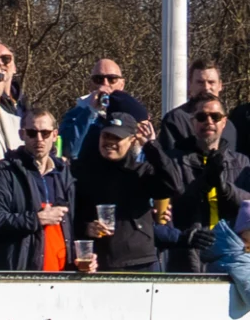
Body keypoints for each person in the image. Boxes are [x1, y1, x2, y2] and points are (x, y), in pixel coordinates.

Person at [0, 106, 80, 272]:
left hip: (63, 275)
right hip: (22, 273)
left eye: (45, 133)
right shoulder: (5, 171)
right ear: (22, 135)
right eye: (32, 133)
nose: (39, 139)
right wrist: (36, 219)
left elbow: (73, 225)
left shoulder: (64, 173)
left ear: (55, 135)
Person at [159, 94, 250, 272]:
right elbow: (171, 209)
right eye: (201, 117)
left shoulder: (242, 163)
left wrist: (224, 187)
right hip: (186, 257)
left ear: (224, 122)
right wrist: (204, 183)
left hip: (232, 256)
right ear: (193, 122)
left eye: (215, 117)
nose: (209, 121)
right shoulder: (174, 162)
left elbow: (247, 207)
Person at [73, 111, 170, 273]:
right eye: (106, 136)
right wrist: (86, 227)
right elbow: (71, 216)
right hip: (98, 263)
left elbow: (172, 185)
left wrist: (152, 146)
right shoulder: (82, 172)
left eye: (117, 138)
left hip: (139, 262)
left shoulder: (142, 171)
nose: (110, 142)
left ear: (132, 140)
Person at [59, 58, 147, 160]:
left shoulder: (133, 111)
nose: (105, 84)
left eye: (112, 79)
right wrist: (90, 111)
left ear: (122, 84)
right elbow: (69, 150)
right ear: (90, 84)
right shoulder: (76, 114)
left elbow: (140, 154)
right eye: (98, 79)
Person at [158, 59, 235, 157]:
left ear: (220, 85)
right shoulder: (176, 119)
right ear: (190, 85)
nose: (206, 87)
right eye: (200, 82)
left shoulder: (230, 127)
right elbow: (169, 161)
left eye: (211, 82)